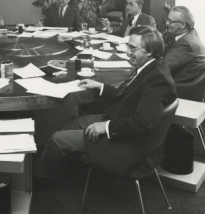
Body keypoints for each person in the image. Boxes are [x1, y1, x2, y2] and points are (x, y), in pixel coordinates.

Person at [34, 26, 176, 180]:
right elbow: (129, 97)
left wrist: (106, 127)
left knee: (56, 139)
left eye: (133, 48)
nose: (128, 52)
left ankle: (39, 180)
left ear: (149, 51)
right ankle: (61, 168)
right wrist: (100, 87)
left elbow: (144, 122)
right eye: (128, 46)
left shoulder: (157, 79)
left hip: (126, 143)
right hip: (120, 120)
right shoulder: (149, 66)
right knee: (70, 123)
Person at [164, 6, 205, 82]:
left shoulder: (186, 43)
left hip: (178, 86)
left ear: (183, 25)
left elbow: (163, 67)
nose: (166, 23)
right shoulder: (186, 35)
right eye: (167, 19)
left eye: (170, 21)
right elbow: (164, 50)